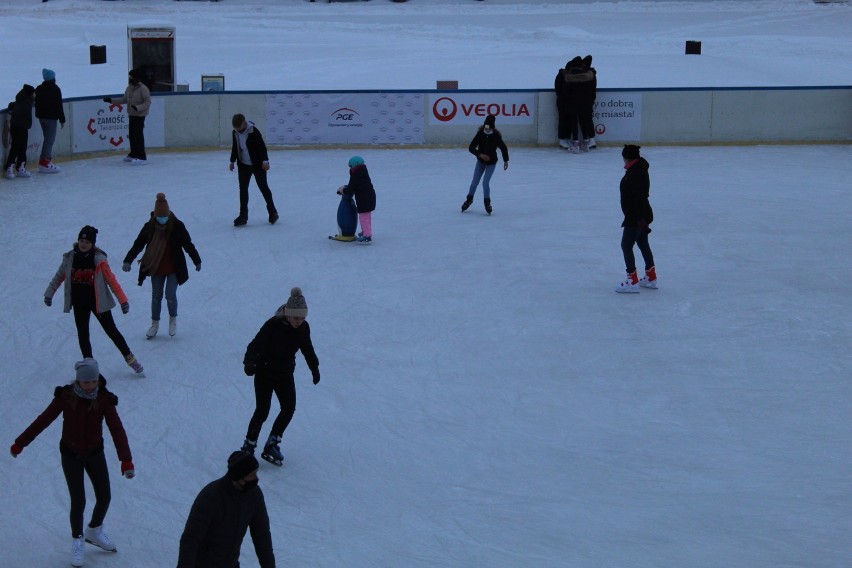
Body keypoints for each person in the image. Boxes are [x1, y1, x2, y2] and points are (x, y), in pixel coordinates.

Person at [10, 358, 135, 568]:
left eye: (94, 381)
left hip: (95, 453)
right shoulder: (65, 397)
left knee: (105, 496)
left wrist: (126, 460)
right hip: (71, 455)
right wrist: (20, 443)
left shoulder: (104, 400)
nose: (91, 385)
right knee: (79, 501)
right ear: (78, 380)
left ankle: (94, 530)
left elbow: (117, 430)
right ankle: (77, 539)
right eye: (86, 382)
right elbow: (43, 420)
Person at [44, 225, 145, 374]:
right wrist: (49, 293)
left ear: (93, 244)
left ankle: (130, 358)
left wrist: (123, 300)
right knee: (83, 333)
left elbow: (111, 280)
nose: (84, 244)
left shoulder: (98, 260)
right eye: (81, 240)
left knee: (111, 330)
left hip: (99, 303)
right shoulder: (70, 258)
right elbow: (59, 276)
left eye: (87, 242)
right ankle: (89, 364)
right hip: (79, 303)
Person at [241, 287, 320, 466]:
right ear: (287, 313)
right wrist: (249, 362)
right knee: (263, 410)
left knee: (289, 407)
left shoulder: (303, 328)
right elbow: (255, 344)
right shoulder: (273, 325)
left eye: (302, 318)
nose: (299, 321)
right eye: (296, 317)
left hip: (285, 373)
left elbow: (307, 349)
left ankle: (273, 442)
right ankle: (248, 445)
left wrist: (314, 368)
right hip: (265, 372)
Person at [122, 192, 202, 339]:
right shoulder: (149, 227)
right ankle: (154, 324)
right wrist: (128, 260)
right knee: (156, 296)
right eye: (159, 217)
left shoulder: (177, 226)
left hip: (173, 267)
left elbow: (187, 244)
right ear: (155, 216)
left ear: (169, 214)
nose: (162, 219)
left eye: (164, 216)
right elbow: (138, 244)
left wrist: (196, 260)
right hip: (156, 267)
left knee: (170, 294)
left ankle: (173, 320)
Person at [177, 451, 276, 568]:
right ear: (238, 476)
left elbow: (261, 535)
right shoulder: (211, 497)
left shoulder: (254, 495)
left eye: (256, 473)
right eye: (251, 475)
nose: (256, 478)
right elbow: (191, 539)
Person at [615, 145, 658, 293]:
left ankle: (632, 280)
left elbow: (638, 198)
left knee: (626, 246)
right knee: (642, 243)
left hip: (636, 216)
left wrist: (640, 220)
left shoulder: (636, 174)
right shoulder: (637, 170)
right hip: (640, 215)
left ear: (627, 157)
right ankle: (651, 277)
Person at [229, 113, 279, 227]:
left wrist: (265, 161)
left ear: (244, 123)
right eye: (235, 128)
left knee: (263, 188)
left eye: (239, 128)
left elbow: (262, 147)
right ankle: (243, 216)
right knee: (243, 190)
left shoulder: (253, 131)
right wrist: (232, 161)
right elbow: (235, 147)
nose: (237, 130)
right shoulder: (235, 132)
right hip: (243, 165)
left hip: (257, 164)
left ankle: (273, 212)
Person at [461, 114, 509, 215]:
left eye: (489, 128)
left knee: (485, 183)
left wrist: (506, 160)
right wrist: (480, 155)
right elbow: (471, 148)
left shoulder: (496, 136)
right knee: (474, 182)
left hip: (491, 163)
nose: (487, 130)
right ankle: (469, 199)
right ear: (484, 126)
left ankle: (487, 203)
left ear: (493, 127)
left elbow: (503, 148)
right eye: (485, 127)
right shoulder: (480, 134)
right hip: (481, 162)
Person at [103, 68, 151, 165]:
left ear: (136, 78)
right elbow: (124, 100)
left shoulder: (143, 89)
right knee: (132, 135)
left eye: (132, 77)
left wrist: (137, 108)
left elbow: (147, 102)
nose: (130, 78)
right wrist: (111, 101)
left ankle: (142, 157)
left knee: (138, 135)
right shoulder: (129, 88)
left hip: (140, 115)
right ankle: (133, 154)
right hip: (132, 115)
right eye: (129, 77)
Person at [337, 155, 376, 244]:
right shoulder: (363, 172)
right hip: (369, 197)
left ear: (355, 165)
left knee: (364, 218)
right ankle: (366, 232)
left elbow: (351, 188)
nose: (350, 168)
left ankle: (367, 236)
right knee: (367, 217)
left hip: (364, 199)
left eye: (350, 166)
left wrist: (343, 190)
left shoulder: (356, 175)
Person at [35, 67, 66, 173]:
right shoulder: (55, 89)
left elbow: (36, 102)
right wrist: (62, 119)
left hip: (41, 118)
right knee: (49, 140)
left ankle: (43, 161)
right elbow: (59, 106)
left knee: (47, 139)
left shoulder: (39, 88)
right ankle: (45, 162)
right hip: (51, 119)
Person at [3, 83, 35, 180]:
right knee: (16, 147)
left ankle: (20, 166)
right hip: (17, 127)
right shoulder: (24, 101)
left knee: (23, 147)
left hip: (23, 126)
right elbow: (15, 108)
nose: (34, 95)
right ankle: (9, 167)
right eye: (33, 94)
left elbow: (12, 105)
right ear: (29, 94)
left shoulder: (26, 100)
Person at [579, 55, 597, 150]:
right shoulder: (590, 74)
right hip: (587, 100)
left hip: (586, 100)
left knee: (587, 120)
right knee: (585, 120)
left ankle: (591, 139)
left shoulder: (588, 75)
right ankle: (588, 139)